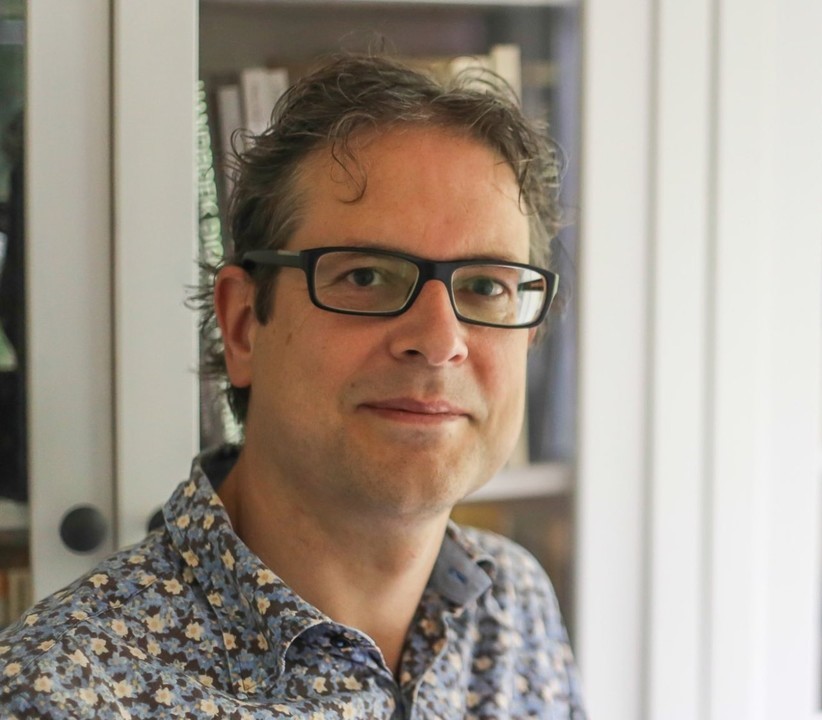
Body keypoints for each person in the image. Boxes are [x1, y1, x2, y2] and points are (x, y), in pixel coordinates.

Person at [0, 54, 586, 718]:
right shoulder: (58, 696)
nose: (439, 340)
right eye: (365, 276)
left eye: (484, 286)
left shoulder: (511, 600)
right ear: (243, 325)